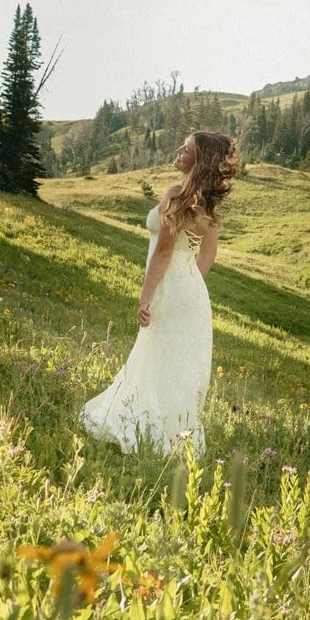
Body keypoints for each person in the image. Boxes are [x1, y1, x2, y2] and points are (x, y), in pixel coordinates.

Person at [80, 130, 239, 455]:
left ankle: (143, 428)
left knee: (155, 358)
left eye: (188, 148)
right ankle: (172, 434)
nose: (179, 149)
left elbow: (164, 252)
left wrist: (147, 294)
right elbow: (208, 255)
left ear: (200, 159)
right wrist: (190, 284)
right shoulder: (208, 204)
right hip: (192, 292)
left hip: (169, 285)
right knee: (174, 362)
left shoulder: (177, 194)